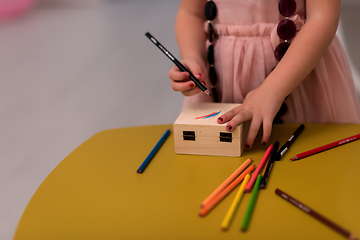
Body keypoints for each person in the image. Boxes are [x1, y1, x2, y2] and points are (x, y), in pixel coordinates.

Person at [168, 0, 360, 148]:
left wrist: (272, 91)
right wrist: (193, 56)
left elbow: (323, 17)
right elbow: (190, 13)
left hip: (301, 79)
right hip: (220, 83)